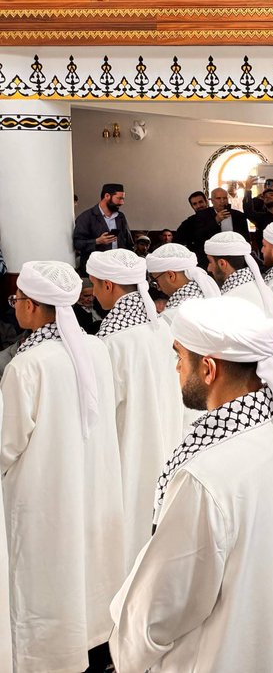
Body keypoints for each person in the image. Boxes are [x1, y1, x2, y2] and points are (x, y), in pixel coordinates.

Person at [109, 297, 273, 672]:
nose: (177, 368)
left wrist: (125, 652)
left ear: (208, 369)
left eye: (180, 356)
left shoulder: (205, 478)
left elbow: (160, 609)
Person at [4, 261, 124, 672]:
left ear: (33, 306)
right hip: (92, 485)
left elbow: (7, 444)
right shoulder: (96, 348)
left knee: (50, 585)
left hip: (47, 499)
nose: (15, 306)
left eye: (17, 299)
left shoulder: (26, 365)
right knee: (89, 575)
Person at [86, 248, 181, 568]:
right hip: (168, 441)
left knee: (129, 535)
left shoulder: (113, 343)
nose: (93, 292)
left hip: (130, 450)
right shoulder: (161, 328)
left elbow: (100, 412)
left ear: (109, 285)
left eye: (94, 284)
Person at [146, 242, 220, 326]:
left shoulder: (175, 315)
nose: (158, 288)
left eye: (156, 281)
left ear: (171, 276)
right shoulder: (203, 296)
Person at [205, 231, 273, 316]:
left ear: (222, 264)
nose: (209, 268)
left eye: (210, 262)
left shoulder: (230, 302)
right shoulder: (258, 288)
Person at [73, 182, 134, 266]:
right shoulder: (86, 217)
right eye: (119, 198)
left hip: (118, 267)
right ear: (107, 196)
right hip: (96, 268)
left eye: (123, 199)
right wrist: (97, 241)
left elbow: (129, 243)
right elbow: (77, 243)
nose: (122, 202)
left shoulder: (120, 217)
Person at [176, 189, 212, 262]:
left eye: (200, 202)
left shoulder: (216, 216)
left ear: (206, 201)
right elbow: (177, 240)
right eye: (195, 204)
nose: (198, 206)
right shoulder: (188, 222)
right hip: (198, 259)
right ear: (192, 206)